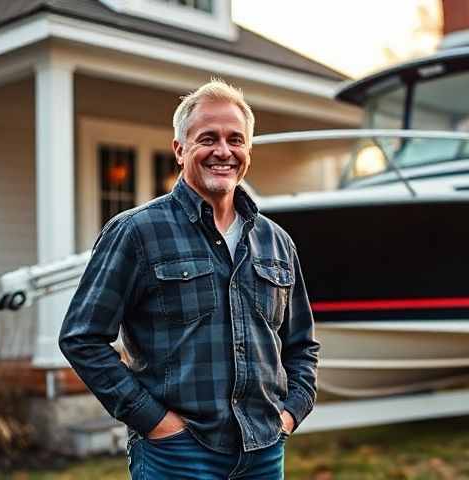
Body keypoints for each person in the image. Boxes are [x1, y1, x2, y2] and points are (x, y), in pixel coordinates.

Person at [59, 80, 319, 479]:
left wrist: (289, 414)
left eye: (236, 139)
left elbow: (301, 344)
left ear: (248, 151)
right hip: (178, 456)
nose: (223, 151)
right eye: (208, 138)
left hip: (264, 452)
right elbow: (82, 337)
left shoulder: (277, 241)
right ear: (180, 150)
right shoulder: (136, 232)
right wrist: (155, 423)